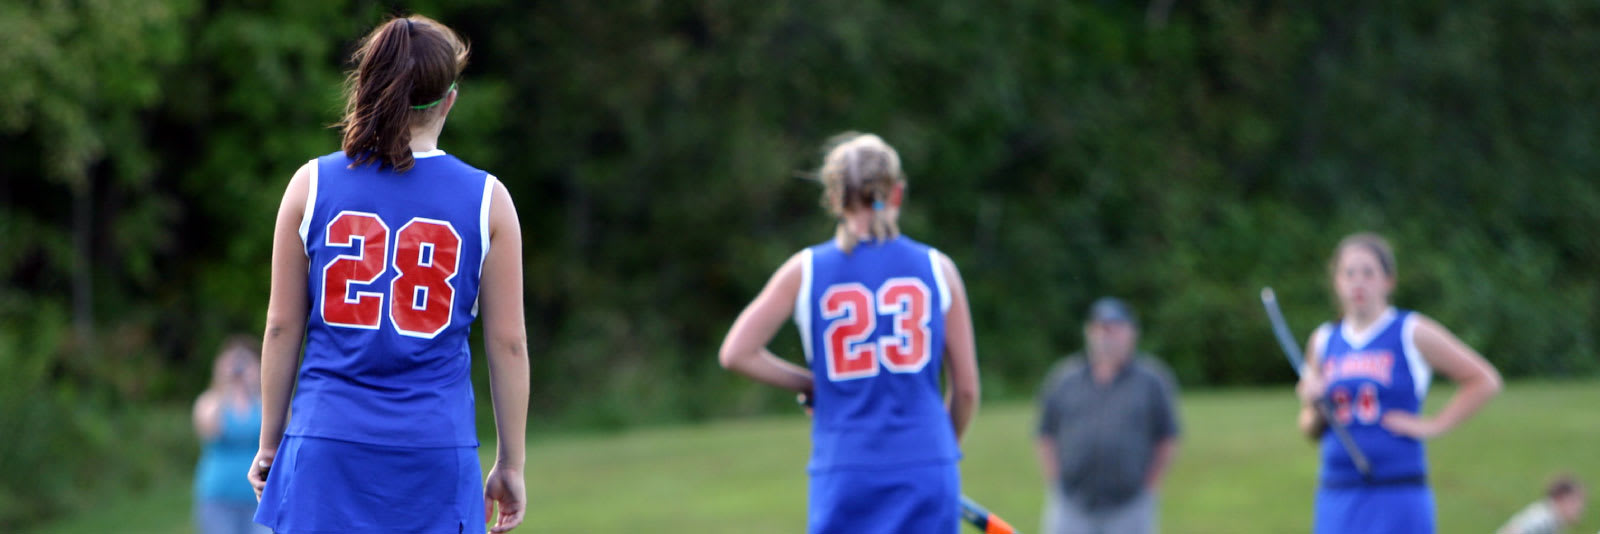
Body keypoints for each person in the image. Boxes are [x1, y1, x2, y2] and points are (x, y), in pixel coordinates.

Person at [248, 15, 529, 534]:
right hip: (433, 453)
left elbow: (282, 327)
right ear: (449, 99)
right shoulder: (489, 200)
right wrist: (510, 463)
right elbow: (507, 343)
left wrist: (270, 444)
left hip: (325, 444)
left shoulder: (310, 184)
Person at [718, 133, 980, 534]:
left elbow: (736, 352)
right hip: (927, 464)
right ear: (897, 193)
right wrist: (942, 449)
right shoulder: (938, 268)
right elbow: (965, 391)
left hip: (845, 471)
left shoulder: (804, 271)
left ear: (835, 197)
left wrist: (813, 384)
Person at [1296, 232, 1503, 534]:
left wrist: (1434, 425)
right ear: (1336, 282)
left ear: (1388, 281)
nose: (1358, 282)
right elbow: (1308, 427)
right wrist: (1312, 404)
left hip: (1397, 491)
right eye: (1349, 273)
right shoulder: (1323, 340)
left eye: (1368, 272)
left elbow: (1484, 380)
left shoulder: (1410, 330)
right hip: (1337, 492)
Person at [1034, 297, 1180, 534]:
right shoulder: (1064, 378)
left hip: (1130, 504)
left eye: (1115, 328)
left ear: (1132, 333)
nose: (1106, 336)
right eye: (1100, 328)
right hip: (1072, 503)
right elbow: (1045, 433)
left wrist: (1150, 485)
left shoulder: (1152, 380)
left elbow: (1167, 436)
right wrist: (1055, 480)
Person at [192, 335, 271, 534]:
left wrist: (261, 384)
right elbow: (208, 430)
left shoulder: (266, 403)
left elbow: (282, 427)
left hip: (260, 496)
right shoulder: (210, 401)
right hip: (219, 496)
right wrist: (224, 385)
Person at [1498, 474, 1587, 534]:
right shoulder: (1544, 519)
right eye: (1574, 502)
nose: (1580, 508)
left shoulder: (1550, 518)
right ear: (1561, 498)